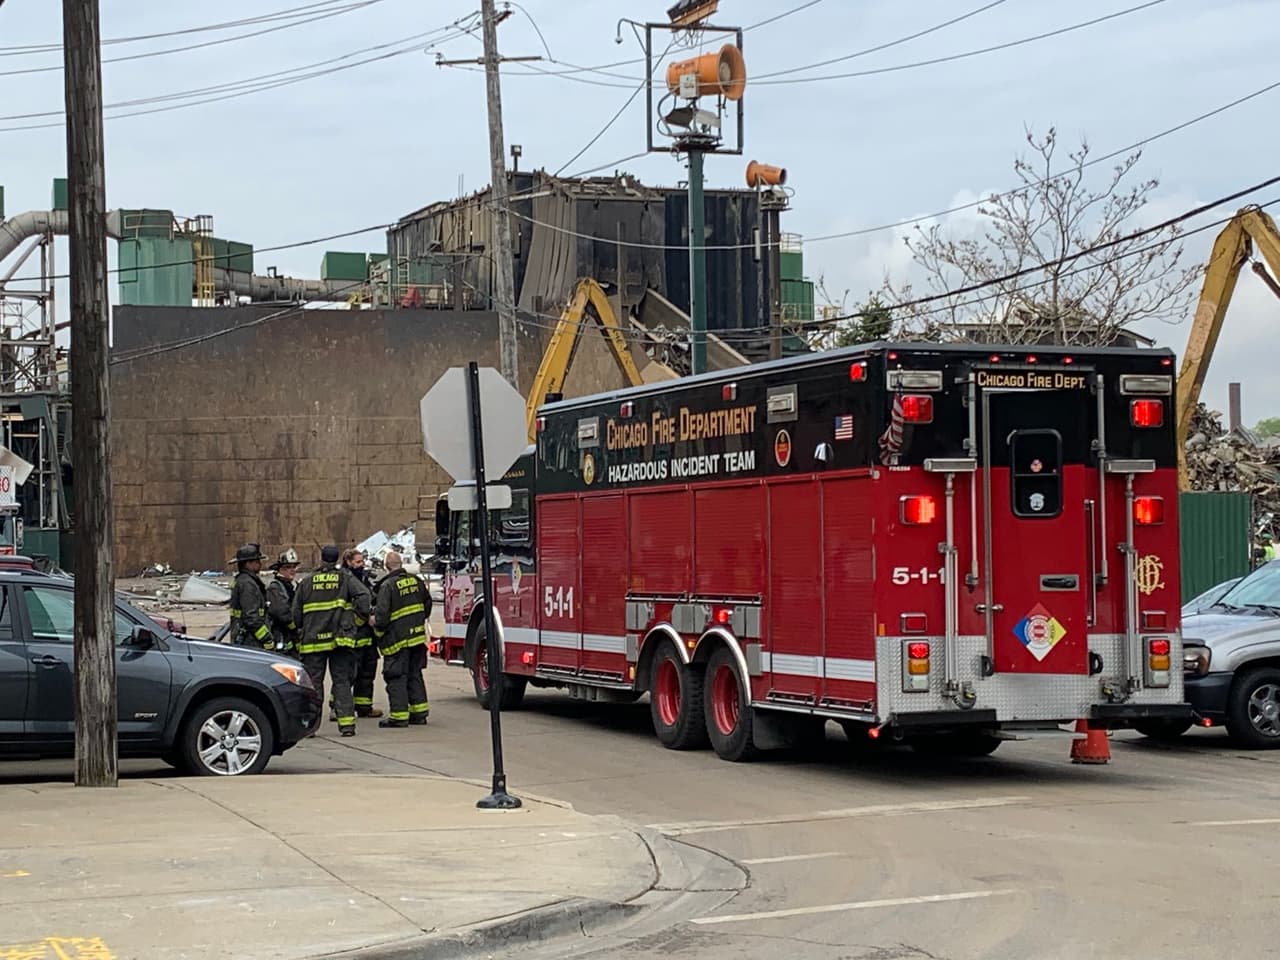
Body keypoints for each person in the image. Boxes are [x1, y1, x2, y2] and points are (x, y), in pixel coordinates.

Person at [293, 545, 363, 737]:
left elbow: (296, 613)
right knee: (341, 681)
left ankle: (311, 727)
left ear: (321, 558)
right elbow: (364, 596)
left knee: (314, 684)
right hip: (339, 640)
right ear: (337, 559)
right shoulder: (345, 578)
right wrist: (356, 619)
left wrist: (303, 627)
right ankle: (347, 725)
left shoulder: (306, 582)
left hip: (313, 641)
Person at [372, 550, 431, 727]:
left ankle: (398, 717)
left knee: (396, 676)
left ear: (386, 566)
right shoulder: (416, 581)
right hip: (417, 638)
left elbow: (381, 617)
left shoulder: (387, 586)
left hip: (398, 641)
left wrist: (375, 626)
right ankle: (419, 713)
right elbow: (426, 605)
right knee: (415, 674)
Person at [342, 548, 383, 720]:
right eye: (358, 562)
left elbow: (370, 598)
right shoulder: (343, 580)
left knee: (367, 672)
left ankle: (364, 707)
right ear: (349, 562)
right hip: (351, 634)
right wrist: (364, 617)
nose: (362, 565)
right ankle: (338, 708)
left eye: (362, 561)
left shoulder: (363, 579)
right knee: (348, 674)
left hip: (367, 635)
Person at [227, 543, 271, 649]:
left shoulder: (244, 580)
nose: (260, 564)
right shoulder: (247, 584)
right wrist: (266, 638)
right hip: (250, 640)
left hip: (245, 637)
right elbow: (251, 618)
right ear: (248, 563)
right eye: (257, 561)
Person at [265, 548, 301, 657]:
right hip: (280, 636)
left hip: (290, 638)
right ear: (279, 569)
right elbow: (282, 613)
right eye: (287, 567)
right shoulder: (275, 588)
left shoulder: (291, 587)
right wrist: (296, 627)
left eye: (293, 567)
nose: (292, 570)